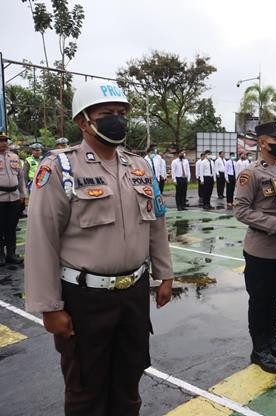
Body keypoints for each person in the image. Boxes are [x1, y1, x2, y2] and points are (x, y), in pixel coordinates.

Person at [24, 80, 173, 416]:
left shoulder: (140, 166)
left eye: (122, 113)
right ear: (83, 121)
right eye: (108, 114)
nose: (118, 120)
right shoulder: (60, 167)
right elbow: (41, 239)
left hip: (133, 294)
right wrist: (49, 307)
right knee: (85, 390)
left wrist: (165, 274)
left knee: (129, 381)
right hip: (84, 300)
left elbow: (157, 223)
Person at [233, 121, 276, 375]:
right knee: (259, 301)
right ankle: (259, 349)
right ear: (262, 143)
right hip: (260, 250)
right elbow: (240, 209)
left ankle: (272, 343)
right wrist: (274, 223)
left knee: (274, 299)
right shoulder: (251, 174)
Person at [0, 134, 26, 265]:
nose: (4, 143)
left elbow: (21, 178)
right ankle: (0, 255)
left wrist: (23, 195)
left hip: (14, 197)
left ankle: (11, 254)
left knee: (11, 227)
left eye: (5, 140)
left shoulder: (15, 157)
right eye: (1, 141)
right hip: (0, 198)